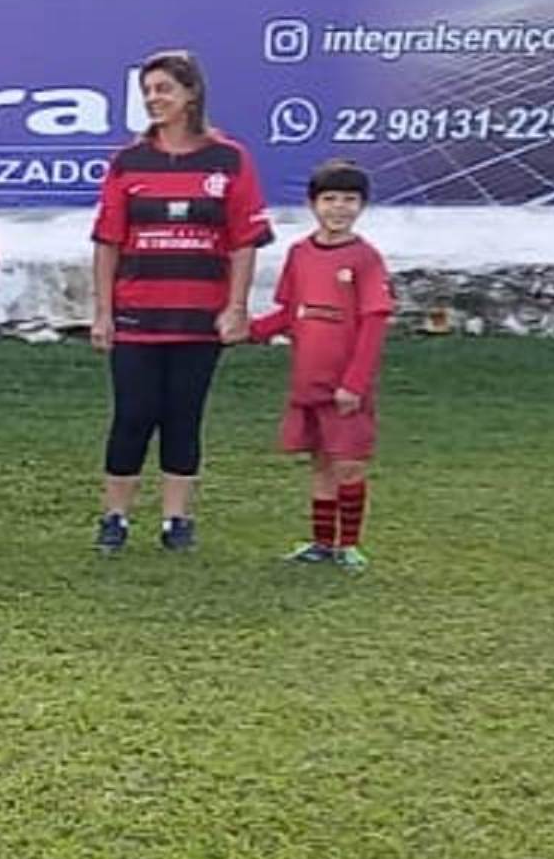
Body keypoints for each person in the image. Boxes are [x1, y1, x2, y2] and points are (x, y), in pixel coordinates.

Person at [89, 49, 268, 554]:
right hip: (137, 315)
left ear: (191, 93)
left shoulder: (230, 158)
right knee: (133, 415)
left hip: (198, 316)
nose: (154, 98)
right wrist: (103, 313)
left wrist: (236, 306)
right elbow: (107, 242)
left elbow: (244, 241)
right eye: (147, 91)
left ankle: (176, 520)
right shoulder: (128, 161)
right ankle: (115, 517)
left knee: (183, 417)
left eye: (164, 88)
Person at [248, 159, 395, 568]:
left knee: (349, 465)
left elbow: (373, 325)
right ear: (313, 204)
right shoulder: (300, 253)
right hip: (308, 381)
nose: (339, 208)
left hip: (345, 387)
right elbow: (289, 313)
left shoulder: (366, 258)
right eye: (330, 199)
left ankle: (349, 545)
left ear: (362, 206)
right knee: (321, 462)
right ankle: (322, 543)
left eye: (349, 200)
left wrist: (354, 383)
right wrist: (247, 331)